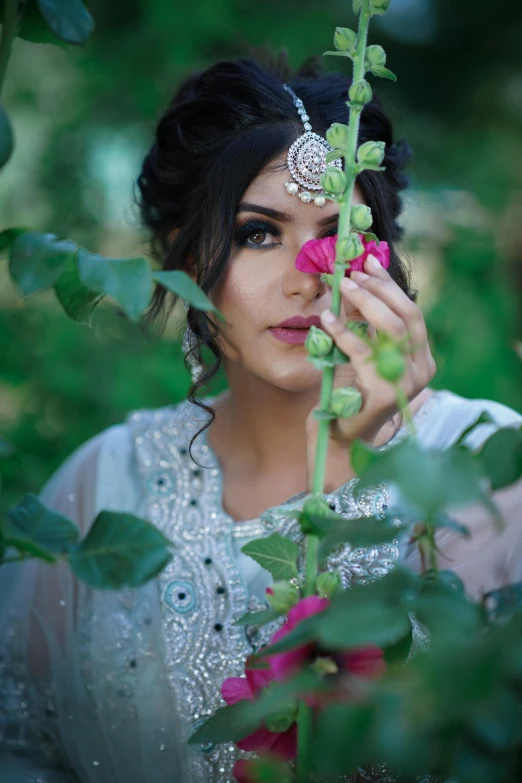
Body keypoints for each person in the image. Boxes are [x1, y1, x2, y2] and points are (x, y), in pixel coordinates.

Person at [0, 55, 521, 783]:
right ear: (178, 253)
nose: (306, 278)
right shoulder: (101, 485)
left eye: (339, 235)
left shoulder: (489, 462)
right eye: (256, 233)